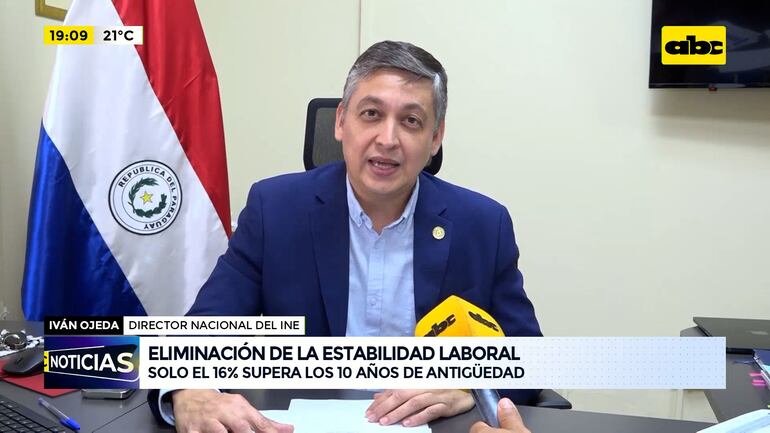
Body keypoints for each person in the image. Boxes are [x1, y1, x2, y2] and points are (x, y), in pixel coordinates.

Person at [148, 40, 541, 433]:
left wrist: (470, 388)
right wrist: (188, 389)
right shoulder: (276, 210)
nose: (388, 139)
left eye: (411, 121)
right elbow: (205, 330)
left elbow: (530, 357)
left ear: (435, 138)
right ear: (340, 122)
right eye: (371, 114)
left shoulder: (482, 225)